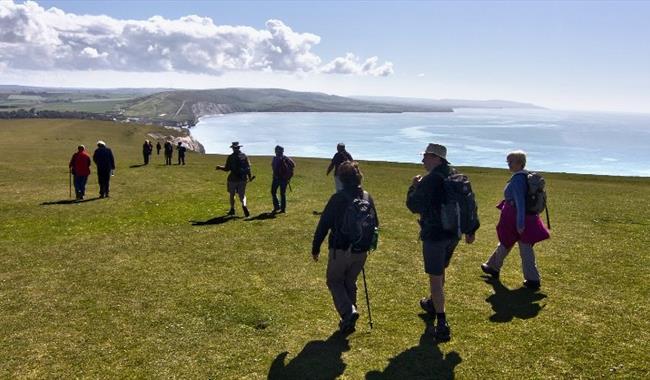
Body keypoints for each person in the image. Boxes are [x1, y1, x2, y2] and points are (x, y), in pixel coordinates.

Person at [406, 143, 478, 342]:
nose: (423, 160)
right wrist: (471, 229)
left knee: (435, 278)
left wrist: (414, 186)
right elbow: (470, 204)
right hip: (453, 234)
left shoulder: (431, 179)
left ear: (437, 158)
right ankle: (431, 303)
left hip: (435, 234)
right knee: (440, 271)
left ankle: (442, 321)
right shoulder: (456, 175)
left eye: (426, 156)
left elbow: (413, 205)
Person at [312, 161, 379, 334]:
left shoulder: (338, 198)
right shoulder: (366, 197)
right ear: (358, 177)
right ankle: (349, 319)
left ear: (341, 178)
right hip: (361, 250)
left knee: (334, 281)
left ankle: (349, 312)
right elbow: (376, 224)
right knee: (350, 282)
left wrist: (316, 247)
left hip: (340, 249)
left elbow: (324, 224)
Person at [481, 150, 550, 290]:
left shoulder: (518, 178)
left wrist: (520, 224)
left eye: (511, 162)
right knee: (516, 245)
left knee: (512, 244)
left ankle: (532, 279)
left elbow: (519, 201)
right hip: (525, 217)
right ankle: (493, 266)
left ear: (519, 163)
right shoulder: (525, 176)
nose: (508, 164)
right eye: (508, 162)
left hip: (515, 217)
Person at [216, 142, 254, 217]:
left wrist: (220, 167)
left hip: (232, 179)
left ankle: (232, 209)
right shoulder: (244, 156)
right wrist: (249, 177)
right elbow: (248, 168)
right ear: (239, 148)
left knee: (232, 194)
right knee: (242, 195)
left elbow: (227, 169)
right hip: (243, 179)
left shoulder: (231, 157)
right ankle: (244, 205)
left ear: (233, 148)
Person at [271, 145, 295, 213]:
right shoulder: (287, 158)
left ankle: (277, 207)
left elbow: (274, 168)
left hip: (276, 178)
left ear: (276, 151)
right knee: (282, 193)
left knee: (273, 192)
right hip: (285, 179)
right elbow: (293, 165)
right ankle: (283, 209)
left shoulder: (275, 158)